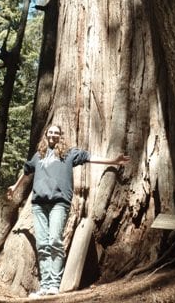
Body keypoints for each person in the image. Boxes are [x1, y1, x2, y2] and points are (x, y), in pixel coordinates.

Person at [7, 124, 130, 299]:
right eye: (50, 132)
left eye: (56, 133)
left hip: (59, 203)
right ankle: (45, 285)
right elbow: (26, 171)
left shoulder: (69, 154)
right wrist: (15, 186)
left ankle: (54, 286)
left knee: (55, 240)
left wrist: (113, 161)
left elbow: (90, 158)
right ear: (46, 135)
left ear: (60, 136)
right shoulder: (38, 155)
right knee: (42, 244)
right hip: (38, 204)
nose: (53, 135)